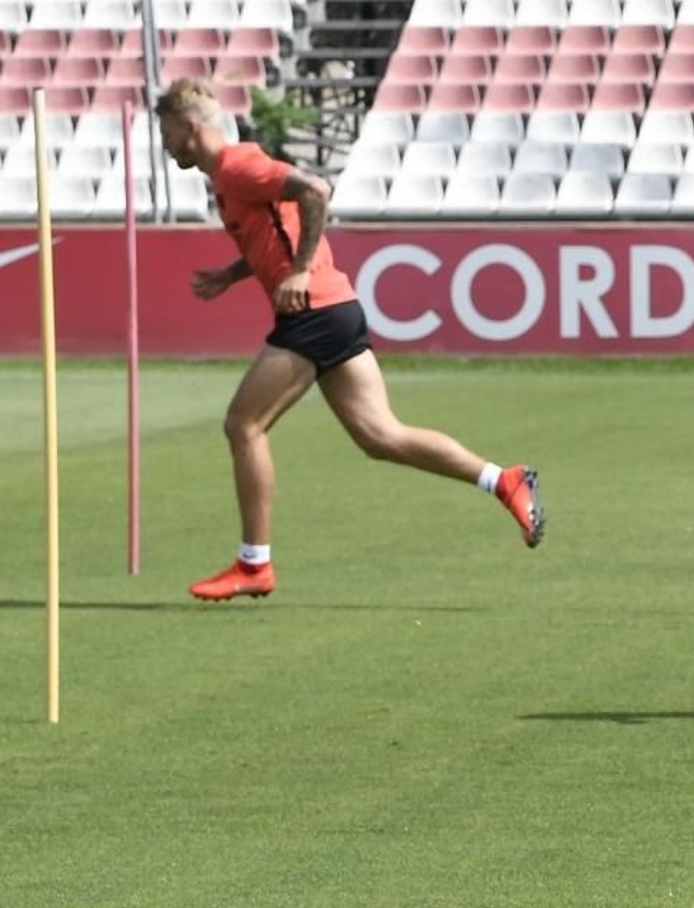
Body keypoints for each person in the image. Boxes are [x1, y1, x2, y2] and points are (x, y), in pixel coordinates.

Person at [155, 79, 546, 602]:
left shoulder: (237, 166)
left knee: (243, 425)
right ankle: (504, 480)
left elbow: (315, 190)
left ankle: (254, 564)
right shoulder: (229, 175)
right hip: (335, 309)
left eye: (166, 132)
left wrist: (297, 272)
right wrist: (232, 274)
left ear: (190, 128)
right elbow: (274, 233)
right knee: (382, 437)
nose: (165, 143)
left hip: (313, 311)